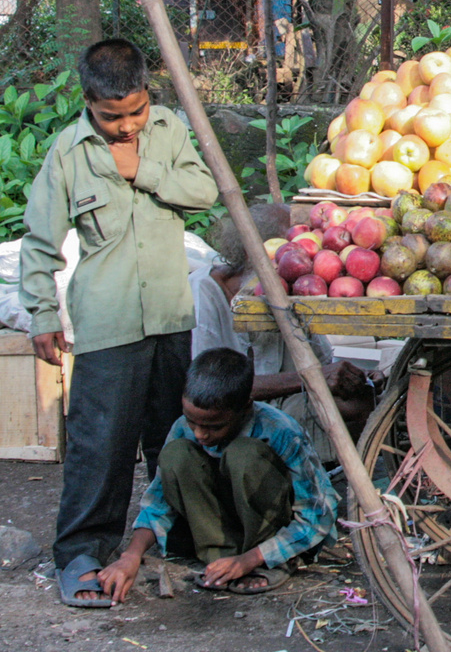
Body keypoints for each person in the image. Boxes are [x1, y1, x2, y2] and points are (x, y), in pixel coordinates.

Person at [20, 39, 219, 607]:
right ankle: (82, 552)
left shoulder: (168, 132)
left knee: (173, 440)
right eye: (113, 117)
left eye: (135, 111)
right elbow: (39, 242)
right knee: (99, 445)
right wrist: (40, 313)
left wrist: (145, 170)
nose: (127, 124)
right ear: (88, 102)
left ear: (147, 95)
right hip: (106, 323)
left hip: (170, 315)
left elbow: (205, 191)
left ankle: (175, 542)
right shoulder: (68, 151)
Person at [97, 348, 339, 601]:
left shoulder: (281, 430)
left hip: (269, 531)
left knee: (245, 455)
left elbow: (318, 515)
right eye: (192, 421)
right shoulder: (182, 428)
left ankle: (270, 562)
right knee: (176, 454)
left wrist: (251, 558)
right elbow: (158, 504)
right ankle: (221, 558)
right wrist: (131, 557)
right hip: (217, 526)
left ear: (245, 407)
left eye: (214, 426)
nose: (200, 434)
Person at [192, 204, 376, 460]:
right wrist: (314, 377)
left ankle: (334, 471)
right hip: (234, 416)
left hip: (291, 403)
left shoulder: (289, 291)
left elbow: (322, 364)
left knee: (362, 400)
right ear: (252, 254)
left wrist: (353, 377)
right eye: (287, 248)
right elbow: (216, 391)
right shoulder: (205, 291)